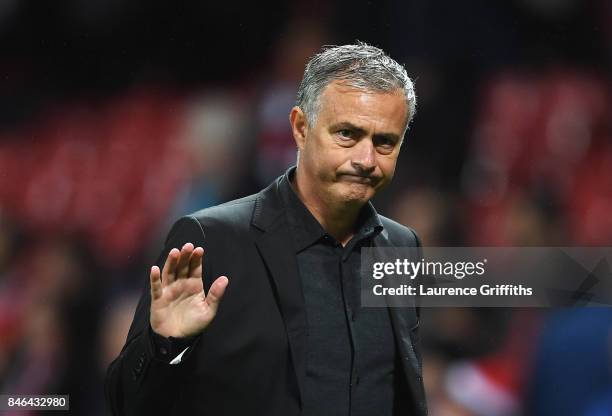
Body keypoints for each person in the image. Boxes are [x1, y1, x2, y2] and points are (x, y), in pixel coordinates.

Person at [105, 42, 427, 416]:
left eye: (385, 142)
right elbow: (125, 405)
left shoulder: (403, 246)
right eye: (347, 135)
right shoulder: (210, 241)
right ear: (301, 128)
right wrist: (165, 346)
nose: (366, 159)